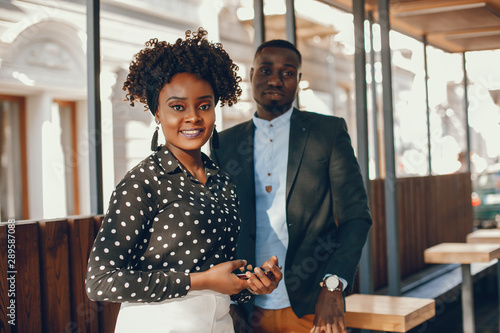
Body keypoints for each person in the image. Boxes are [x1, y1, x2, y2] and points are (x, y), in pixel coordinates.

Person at [85, 28, 282, 333]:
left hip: (219, 325)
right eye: (178, 107)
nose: (193, 117)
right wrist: (200, 281)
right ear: (157, 113)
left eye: (204, 105)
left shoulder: (222, 182)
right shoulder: (141, 183)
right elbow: (100, 282)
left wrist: (254, 285)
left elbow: (220, 275)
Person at [211, 39, 372, 333]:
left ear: (298, 80)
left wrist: (333, 285)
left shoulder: (328, 132)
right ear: (251, 74)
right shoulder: (225, 144)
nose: (275, 79)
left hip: (314, 302)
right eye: (266, 70)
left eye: (287, 72)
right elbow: (218, 228)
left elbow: (356, 217)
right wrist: (228, 302)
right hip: (246, 307)